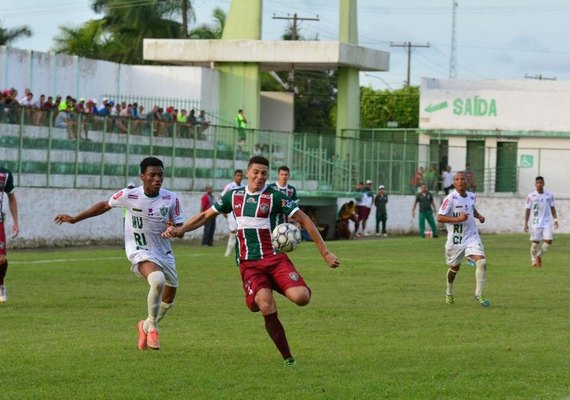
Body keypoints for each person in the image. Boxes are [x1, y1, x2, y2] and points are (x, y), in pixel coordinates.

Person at [161, 156, 340, 367]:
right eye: (256, 172)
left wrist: (325, 253)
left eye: (264, 173)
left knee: (302, 298)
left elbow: (304, 219)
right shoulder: (233, 196)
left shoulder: (275, 196)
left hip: (275, 260)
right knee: (265, 304)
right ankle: (288, 358)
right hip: (249, 264)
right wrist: (181, 230)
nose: (259, 176)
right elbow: (205, 215)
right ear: (247, 173)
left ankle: (278, 284)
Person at [54, 157, 185, 350]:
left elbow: (180, 227)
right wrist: (75, 219)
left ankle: (145, 325)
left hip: (164, 252)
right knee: (156, 280)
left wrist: (174, 229)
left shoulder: (171, 198)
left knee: (168, 298)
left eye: (160, 175)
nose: (157, 179)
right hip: (140, 250)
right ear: (142, 177)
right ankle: (153, 326)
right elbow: (104, 205)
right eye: (152, 175)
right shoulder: (129, 195)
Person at [437, 171, 490, 307]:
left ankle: (478, 294)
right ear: (454, 183)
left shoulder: (472, 196)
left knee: (482, 262)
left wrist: (479, 216)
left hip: (471, 236)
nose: (460, 181)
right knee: (454, 269)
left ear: (467, 182)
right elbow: (440, 217)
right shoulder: (450, 199)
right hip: (455, 240)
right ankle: (449, 291)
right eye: (457, 179)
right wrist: (457, 219)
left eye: (463, 179)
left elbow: (472, 209)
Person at [524, 176, 558, 268]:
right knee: (535, 243)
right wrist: (526, 223)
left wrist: (555, 219)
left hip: (546, 222)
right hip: (536, 223)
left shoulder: (549, 195)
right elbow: (527, 210)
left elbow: (552, 208)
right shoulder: (531, 196)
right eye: (538, 183)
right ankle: (533, 260)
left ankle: (538, 255)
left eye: (541, 182)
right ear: (535, 184)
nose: (539, 184)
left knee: (549, 241)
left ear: (544, 184)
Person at [0, 166, 20, 302]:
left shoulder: (5, 174)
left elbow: (11, 198)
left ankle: (0, 285)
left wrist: (15, 222)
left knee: (1, 259)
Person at [221, 169, 245, 257]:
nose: (239, 177)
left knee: (240, 231)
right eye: (238, 175)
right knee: (233, 230)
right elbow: (222, 197)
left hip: (240, 212)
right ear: (234, 177)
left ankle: (238, 251)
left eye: (241, 176)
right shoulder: (230, 186)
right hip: (231, 212)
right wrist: (224, 211)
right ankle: (228, 252)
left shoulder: (243, 187)